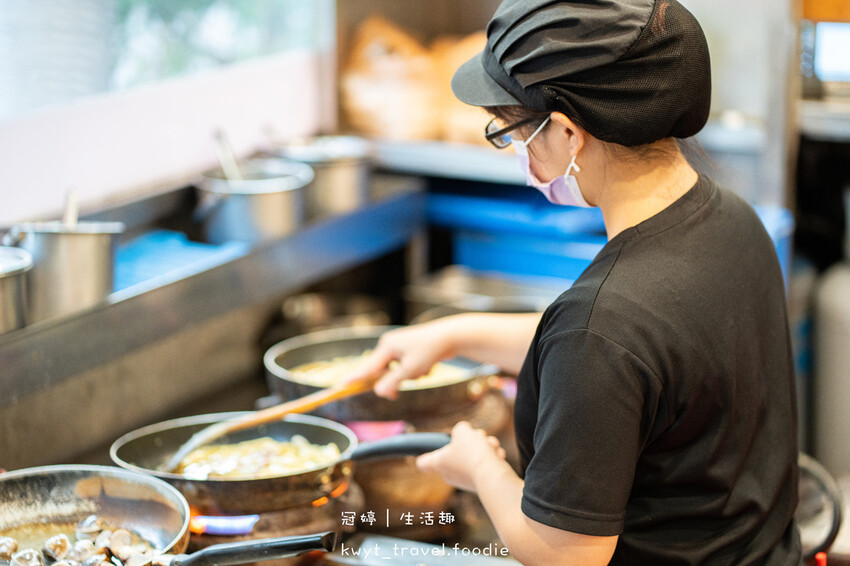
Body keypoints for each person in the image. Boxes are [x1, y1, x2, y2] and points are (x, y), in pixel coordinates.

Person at [348, 0, 801, 564]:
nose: (517, 151)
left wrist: (479, 468)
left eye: (513, 131)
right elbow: (634, 359)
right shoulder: (731, 217)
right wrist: (453, 335)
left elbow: (564, 553)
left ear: (566, 132)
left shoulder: (603, 325)